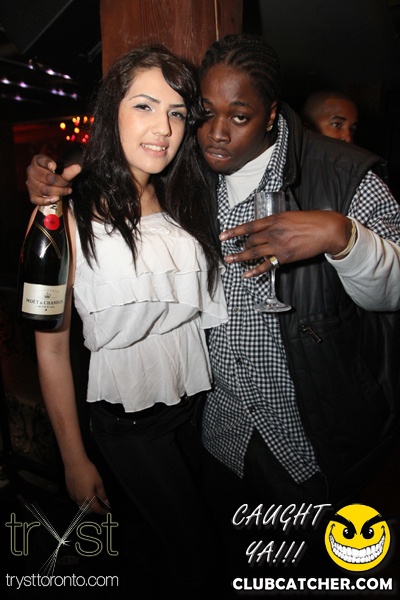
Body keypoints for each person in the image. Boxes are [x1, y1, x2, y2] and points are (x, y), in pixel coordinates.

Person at [25, 35, 400, 511]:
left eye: (239, 116)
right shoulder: (187, 177)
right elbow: (122, 159)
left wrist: (342, 235)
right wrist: (51, 171)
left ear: (270, 114)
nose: (217, 133)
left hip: (306, 442)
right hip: (215, 435)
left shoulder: (342, 176)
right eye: (203, 114)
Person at [25, 45, 228, 595]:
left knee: (191, 547)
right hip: (130, 424)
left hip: (198, 408)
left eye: (177, 112)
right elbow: (50, 347)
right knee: (196, 559)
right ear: (109, 111)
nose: (163, 127)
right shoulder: (61, 210)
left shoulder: (187, 197)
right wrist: (73, 459)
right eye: (144, 106)